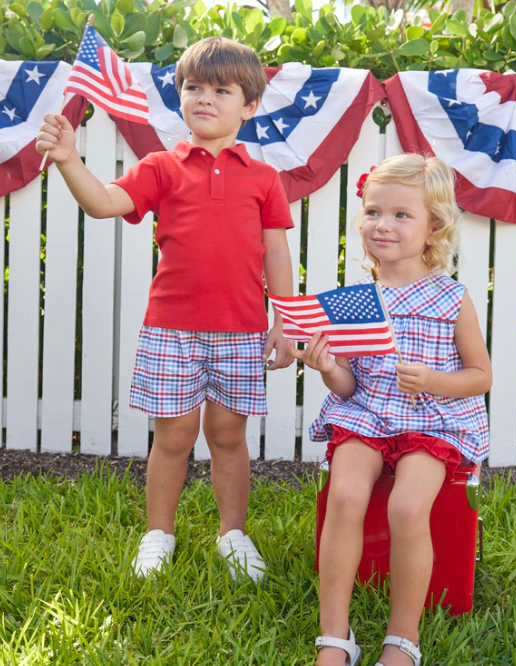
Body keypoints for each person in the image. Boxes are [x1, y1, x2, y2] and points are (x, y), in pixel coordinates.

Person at [35, 37, 294, 582]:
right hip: (171, 329)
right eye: (193, 87)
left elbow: (275, 252)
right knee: (172, 437)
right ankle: (159, 534)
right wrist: (68, 160)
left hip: (242, 332)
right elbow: (104, 203)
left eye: (221, 90)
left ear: (248, 105)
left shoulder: (263, 178)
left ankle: (233, 534)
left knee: (228, 436)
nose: (205, 98)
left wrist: (285, 319)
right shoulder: (161, 166)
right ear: (180, 95)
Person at [291, 154, 492, 666]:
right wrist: (327, 366)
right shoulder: (359, 299)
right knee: (345, 494)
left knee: (406, 508)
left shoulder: (451, 298)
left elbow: (480, 376)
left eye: (402, 215)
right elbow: (349, 383)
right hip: (368, 413)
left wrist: (433, 381)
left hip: (432, 420)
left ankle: (403, 639)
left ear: (433, 228)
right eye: (373, 212)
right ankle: (335, 636)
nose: (383, 225)